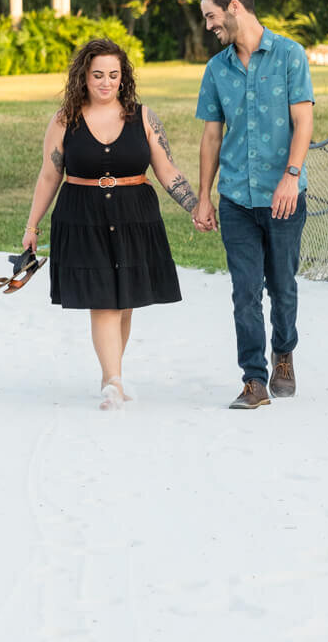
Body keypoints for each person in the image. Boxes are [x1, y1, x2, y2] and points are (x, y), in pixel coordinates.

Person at [22, 37, 201, 409]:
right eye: (98, 75)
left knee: (124, 301)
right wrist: (32, 226)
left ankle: (110, 375)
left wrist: (197, 207)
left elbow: (166, 170)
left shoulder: (144, 117)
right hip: (82, 217)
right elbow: (48, 176)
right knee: (102, 300)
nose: (106, 82)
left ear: (124, 78)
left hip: (135, 216)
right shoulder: (64, 119)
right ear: (83, 78)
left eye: (113, 75)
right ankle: (115, 383)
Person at [192, 0, 315, 409]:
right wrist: (204, 196)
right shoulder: (216, 70)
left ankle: (284, 353)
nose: (209, 25)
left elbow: (303, 122)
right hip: (237, 201)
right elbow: (211, 137)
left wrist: (291, 176)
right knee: (245, 290)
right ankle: (254, 379)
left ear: (235, 8)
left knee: (282, 286)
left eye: (211, 15)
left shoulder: (289, 56)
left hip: (283, 197)